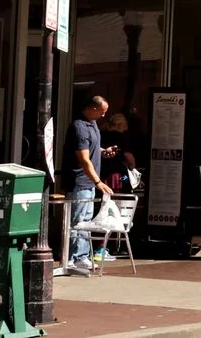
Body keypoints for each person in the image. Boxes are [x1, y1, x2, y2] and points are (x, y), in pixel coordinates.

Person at [64, 96, 116, 275]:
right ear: (91, 108)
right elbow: (84, 159)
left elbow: (92, 149)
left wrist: (103, 151)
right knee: (78, 221)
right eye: (101, 111)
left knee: (86, 220)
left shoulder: (92, 124)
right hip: (80, 181)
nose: (103, 115)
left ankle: (81, 256)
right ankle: (74, 257)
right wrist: (98, 182)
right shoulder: (79, 127)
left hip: (88, 182)